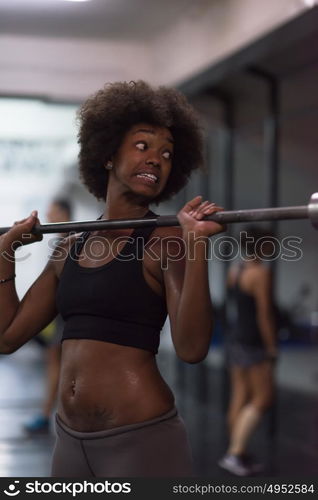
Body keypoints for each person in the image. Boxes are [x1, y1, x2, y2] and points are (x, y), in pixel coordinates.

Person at [0, 80, 224, 477]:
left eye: (167, 153)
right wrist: (5, 253)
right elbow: (7, 337)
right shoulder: (69, 246)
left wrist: (196, 245)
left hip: (141, 442)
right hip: (68, 442)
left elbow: (191, 348)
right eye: (143, 146)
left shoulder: (166, 241)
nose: (156, 158)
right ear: (107, 155)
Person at [218, 226, 278, 476]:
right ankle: (234, 453)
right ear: (262, 246)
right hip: (252, 342)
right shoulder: (260, 273)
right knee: (263, 398)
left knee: (240, 396)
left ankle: (237, 451)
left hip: (235, 339)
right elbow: (264, 314)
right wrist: (272, 347)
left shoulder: (235, 270)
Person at [23, 199, 72, 435]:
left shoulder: (70, 241)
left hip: (67, 316)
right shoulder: (62, 241)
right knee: (58, 364)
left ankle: (51, 416)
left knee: (61, 365)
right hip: (62, 315)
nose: (49, 213)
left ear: (63, 212)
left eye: (53, 209)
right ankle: (51, 415)